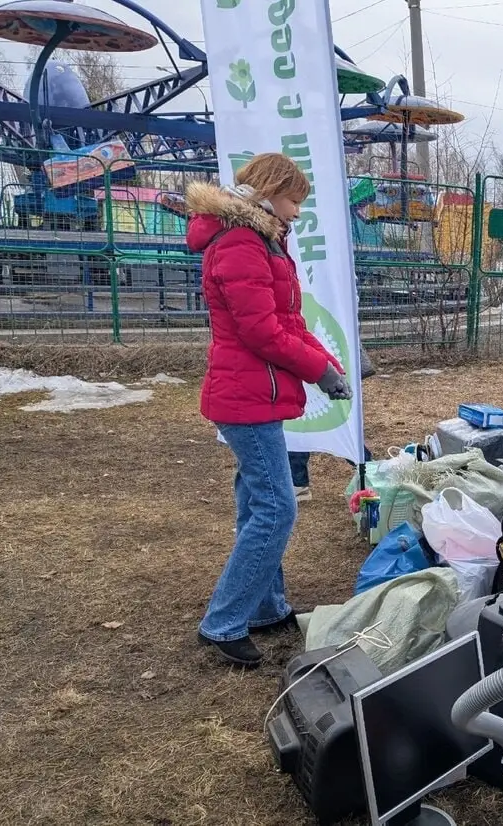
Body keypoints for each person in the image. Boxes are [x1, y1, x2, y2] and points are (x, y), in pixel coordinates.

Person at [186, 152, 354, 667]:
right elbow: (261, 331)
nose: (298, 212)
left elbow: (290, 320)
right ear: (268, 193)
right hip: (245, 397)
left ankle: (264, 606)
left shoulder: (264, 240)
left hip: (256, 394)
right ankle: (223, 621)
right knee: (277, 508)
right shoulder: (240, 243)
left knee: (257, 502)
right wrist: (318, 371)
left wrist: (334, 364)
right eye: (293, 200)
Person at [289, 349, 377, 501]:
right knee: (299, 424)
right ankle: (298, 482)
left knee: (336, 421)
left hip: (322, 361)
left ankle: (369, 469)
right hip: (314, 362)